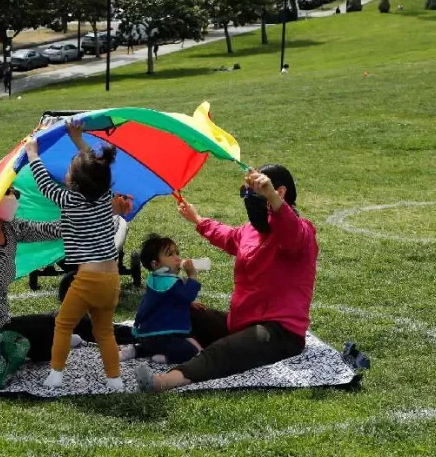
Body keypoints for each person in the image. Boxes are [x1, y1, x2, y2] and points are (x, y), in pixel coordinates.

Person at [134, 164, 319, 393]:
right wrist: (198, 220)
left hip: (279, 333)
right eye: (246, 192)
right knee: (180, 310)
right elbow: (229, 236)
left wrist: (270, 195)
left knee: (225, 350)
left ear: (279, 192)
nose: (248, 198)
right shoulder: (251, 230)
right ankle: (137, 343)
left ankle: (164, 381)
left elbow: (291, 232)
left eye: (255, 191)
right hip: (239, 323)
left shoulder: (302, 234)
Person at [0, 185, 134, 363]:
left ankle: (137, 335)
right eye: (8, 192)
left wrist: (106, 211)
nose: (14, 197)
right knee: (52, 337)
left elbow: (57, 228)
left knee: (70, 320)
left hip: (5, 324)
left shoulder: (10, 228)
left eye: (15, 193)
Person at [25, 118, 124, 390]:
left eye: (70, 171)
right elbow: (99, 167)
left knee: (63, 324)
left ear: (75, 183)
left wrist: (33, 154)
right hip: (111, 280)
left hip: (87, 280)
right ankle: (114, 380)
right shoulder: (105, 196)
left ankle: (56, 375)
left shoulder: (69, 199)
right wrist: (78, 139)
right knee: (104, 331)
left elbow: (45, 184)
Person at [118, 233, 204, 364]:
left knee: (152, 346)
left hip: (147, 337)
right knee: (191, 351)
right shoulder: (171, 282)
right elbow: (187, 295)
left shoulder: (155, 279)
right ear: (155, 264)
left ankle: (136, 350)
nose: (177, 258)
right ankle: (166, 358)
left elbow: (167, 300)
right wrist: (192, 276)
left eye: (177, 253)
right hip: (164, 336)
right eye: (170, 255)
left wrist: (189, 303)